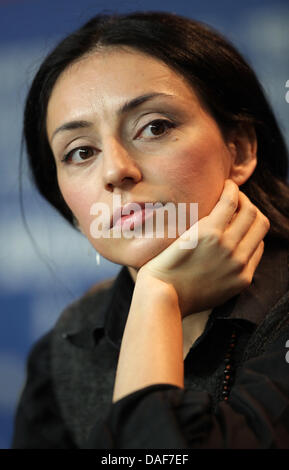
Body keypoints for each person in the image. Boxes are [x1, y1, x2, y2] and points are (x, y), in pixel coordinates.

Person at [12, 11, 289, 449]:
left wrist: (157, 295)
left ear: (239, 149)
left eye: (154, 127)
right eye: (81, 152)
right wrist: (157, 298)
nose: (116, 170)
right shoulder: (62, 355)